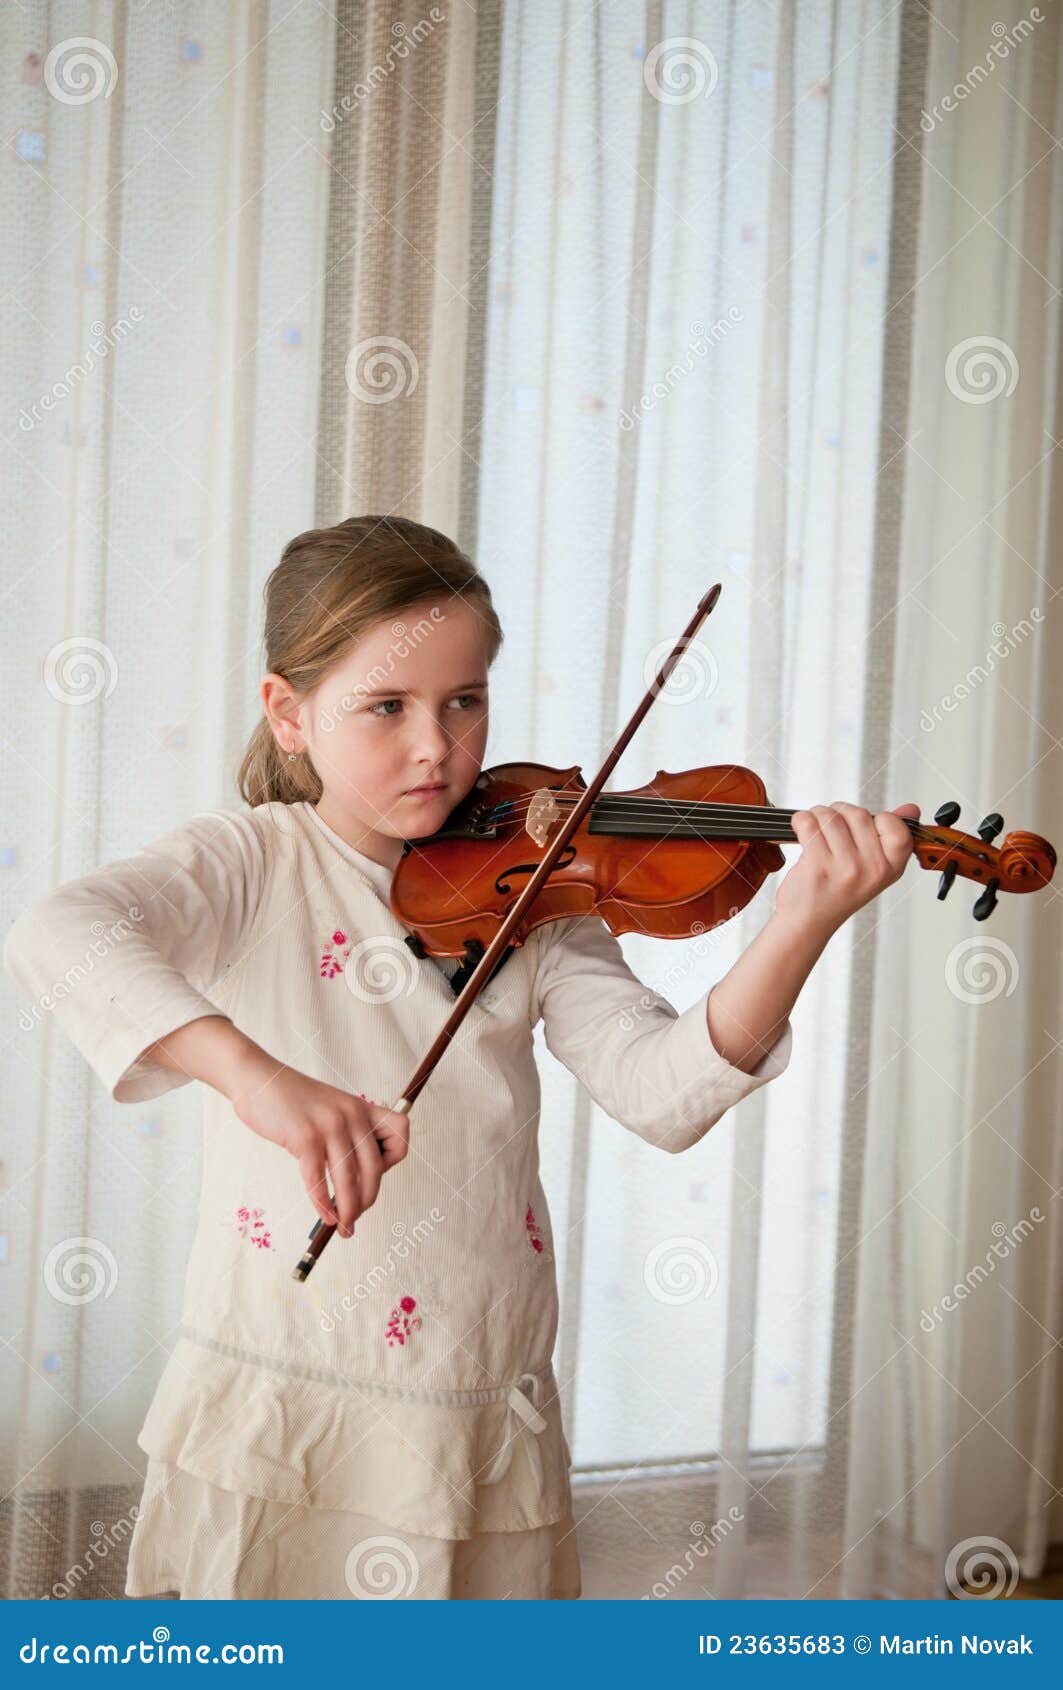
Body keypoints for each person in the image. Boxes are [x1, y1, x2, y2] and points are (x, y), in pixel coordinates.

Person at [3, 514, 917, 1600]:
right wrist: (260, 1077)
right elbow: (60, 932)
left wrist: (802, 917)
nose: (436, 747)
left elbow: (662, 1094)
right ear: (289, 714)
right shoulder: (253, 859)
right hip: (280, 1400)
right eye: (386, 707)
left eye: (464, 700)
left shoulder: (539, 894)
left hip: (473, 1399)